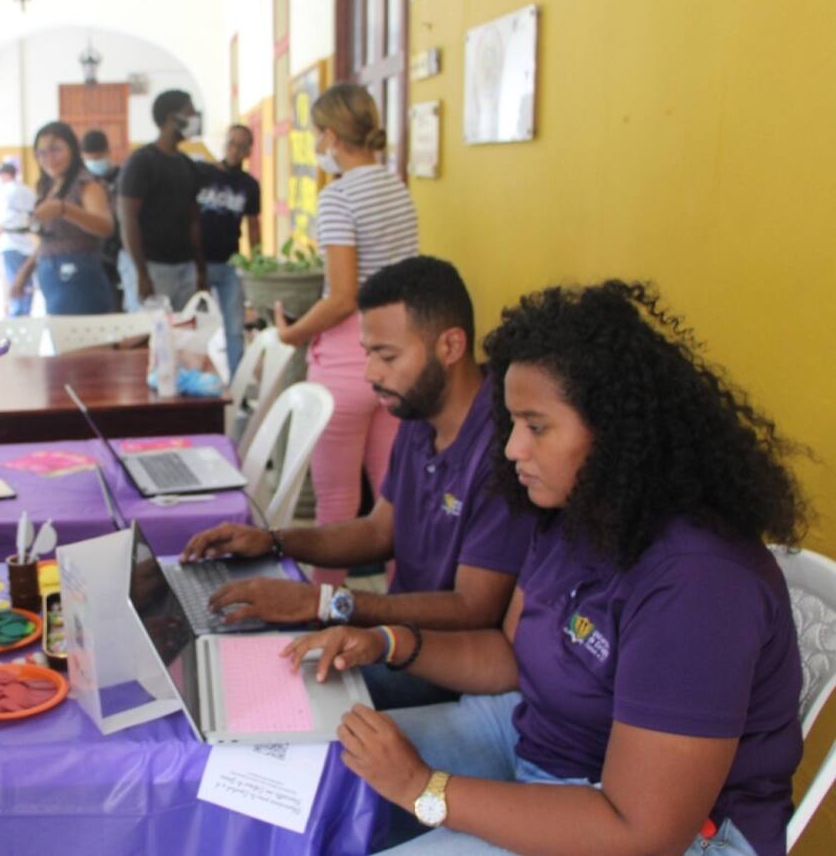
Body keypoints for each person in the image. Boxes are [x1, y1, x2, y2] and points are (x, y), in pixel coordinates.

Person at [284, 281, 806, 856]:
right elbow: (513, 656)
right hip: (537, 740)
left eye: (535, 426)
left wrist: (423, 789)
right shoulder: (576, 511)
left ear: (613, 431)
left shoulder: (699, 583)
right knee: (310, 772)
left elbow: (642, 833)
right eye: (511, 423)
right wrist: (388, 641)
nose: (512, 449)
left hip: (660, 833)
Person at [183, 258, 535, 708]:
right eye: (367, 353)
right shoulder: (421, 412)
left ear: (450, 346)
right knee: (229, 653)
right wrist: (274, 542)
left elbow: (473, 607)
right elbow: (379, 530)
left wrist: (325, 602)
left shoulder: (506, 448)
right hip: (388, 638)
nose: (370, 373)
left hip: (442, 663)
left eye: (387, 356)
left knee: (264, 688)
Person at [274, 83, 418, 574]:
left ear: (332, 136)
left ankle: (321, 604)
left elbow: (341, 297)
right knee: (393, 503)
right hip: (399, 356)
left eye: (318, 134)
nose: (318, 144)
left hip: (345, 361)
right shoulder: (397, 188)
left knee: (336, 501)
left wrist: (292, 334)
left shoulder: (337, 197)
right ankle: (404, 603)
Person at [11, 121, 115, 315]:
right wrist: (25, 271)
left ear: (73, 149)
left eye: (55, 150)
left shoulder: (86, 184)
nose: (48, 158)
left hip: (79, 277)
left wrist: (65, 209)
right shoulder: (49, 187)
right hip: (51, 275)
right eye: (41, 153)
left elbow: (105, 226)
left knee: (78, 333)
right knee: (59, 331)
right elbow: (49, 240)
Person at [117, 89, 206, 311]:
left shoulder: (187, 165)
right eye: (189, 112)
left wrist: (200, 268)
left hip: (183, 265)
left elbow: (193, 219)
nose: (195, 118)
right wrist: (141, 273)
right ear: (172, 118)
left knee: (184, 328)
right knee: (150, 329)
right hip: (150, 265)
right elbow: (128, 218)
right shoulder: (141, 162)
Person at [196, 123, 261, 373]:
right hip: (198, 263)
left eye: (242, 146)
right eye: (232, 143)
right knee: (195, 325)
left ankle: (237, 385)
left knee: (234, 328)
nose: (235, 150)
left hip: (229, 264)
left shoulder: (249, 185)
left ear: (249, 151)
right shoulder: (204, 174)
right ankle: (197, 378)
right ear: (225, 144)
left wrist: (256, 262)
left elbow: (253, 226)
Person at [0, 161, 38, 316]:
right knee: (27, 281)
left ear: (5, 175)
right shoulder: (27, 191)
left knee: (15, 282)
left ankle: (17, 315)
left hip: (9, 242)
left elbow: (0, 222)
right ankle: (25, 314)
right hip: (28, 241)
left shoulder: (3, 193)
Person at [82, 128, 123, 309]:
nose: (94, 163)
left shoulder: (122, 177)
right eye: (90, 159)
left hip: (120, 251)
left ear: (108, 152)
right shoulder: (83, 184)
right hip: (94, 255)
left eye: (98, 158)